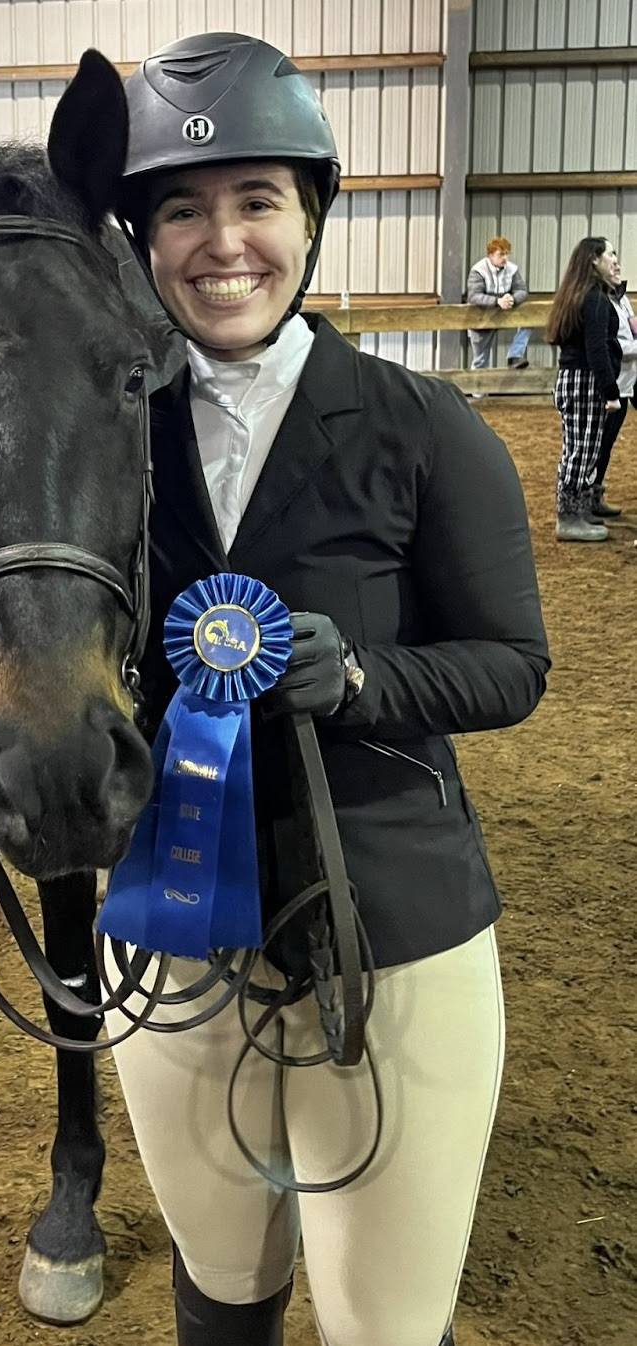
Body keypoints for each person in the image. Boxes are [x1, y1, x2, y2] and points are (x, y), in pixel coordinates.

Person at [106, 33, 550, 1346]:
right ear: (142, 239)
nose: (220, 241)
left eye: (254, 201)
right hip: (175, 932)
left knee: (377, 1320)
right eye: (180, 209)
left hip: (388, 930)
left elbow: (512, 663)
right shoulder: (107, 440)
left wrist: (357, 675)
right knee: (219, 1286)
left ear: (310, 217)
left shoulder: (422, 428)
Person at [546, 237, 622, 542]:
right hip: (584, 380)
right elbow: (596, 348)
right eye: (611, 254)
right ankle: (568, 518)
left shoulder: (582, 295)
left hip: (575, 378)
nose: (616, 260)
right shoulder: (594, 298)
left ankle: (578, 510)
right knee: (582, 450)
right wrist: (611, 390)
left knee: (579, 448)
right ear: (594, 260)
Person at [591, 263, 637, 519]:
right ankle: (589, 496)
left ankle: (595, 494)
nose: (618, 265)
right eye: (611, 260)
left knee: (606, 442)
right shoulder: (598, 302)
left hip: (628, 380)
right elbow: (613, 345)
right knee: (601, 442)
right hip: (612, 382)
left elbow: (631, 332)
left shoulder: (622, 298)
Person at [466, 236, 531, 371]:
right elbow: (474, 296)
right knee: (480, 359)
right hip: (482, 316)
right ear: (490, 255)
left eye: (507, 253)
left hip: (506, 310)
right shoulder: (478, 270)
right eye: (501, 254)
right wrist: (497, 301)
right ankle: (479, 391)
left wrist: (513, 299)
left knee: (530, 320)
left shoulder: (512, 269)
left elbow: (522, 290)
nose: (505, 258)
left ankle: (515, 355)